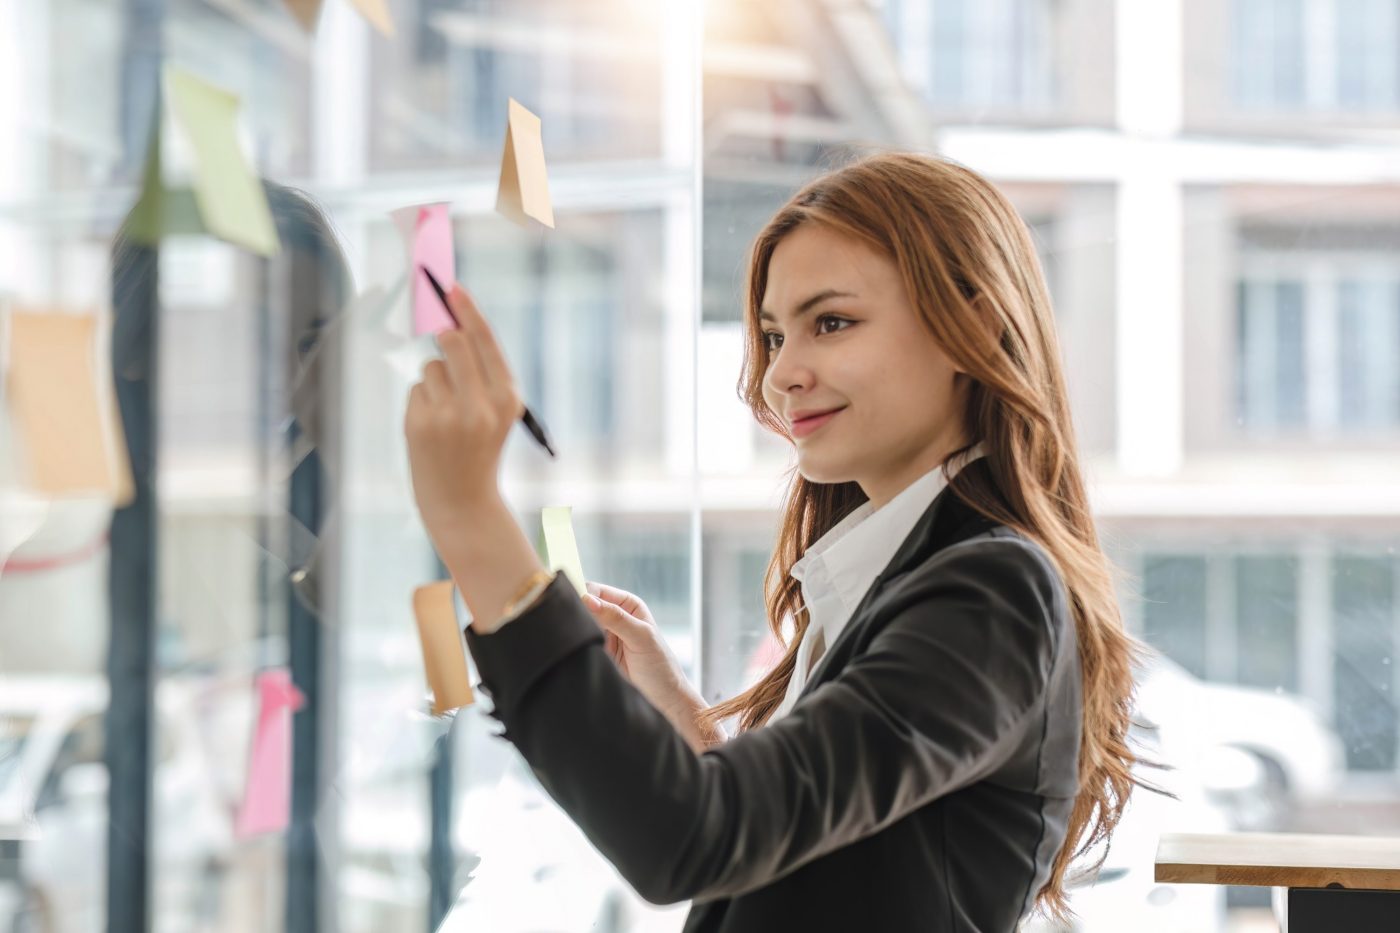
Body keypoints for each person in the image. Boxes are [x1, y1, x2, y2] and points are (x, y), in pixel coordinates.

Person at [403, 151, 1146, 932]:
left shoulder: (993, 592)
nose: (781, 372)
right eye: (771, 333)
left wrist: (469, 518)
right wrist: (691, 732)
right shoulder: (905, 576)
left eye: (831, 322)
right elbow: (820, 859)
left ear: (972, 330)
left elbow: (689, 838)